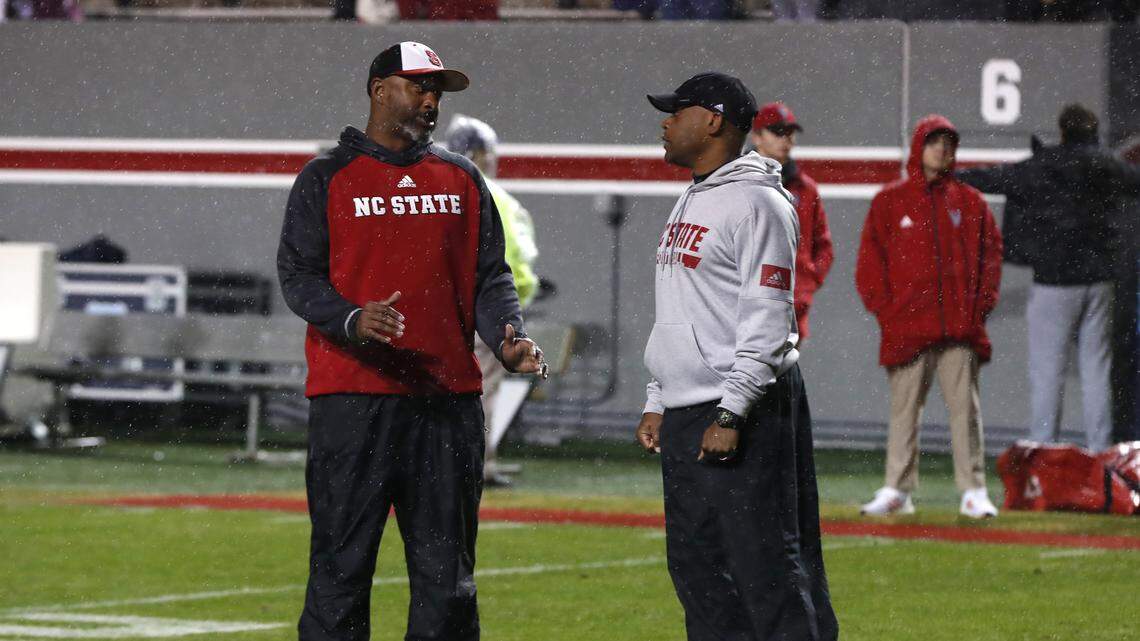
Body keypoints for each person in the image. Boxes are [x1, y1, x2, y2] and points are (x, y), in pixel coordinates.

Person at [277, 41, 546, 641]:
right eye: (419, 86)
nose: (430, 100)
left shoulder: (462, 178)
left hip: (446, 402)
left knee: (447, 580)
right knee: (339, 573)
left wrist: (508, 338)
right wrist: (349, 318)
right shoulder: (325, 177)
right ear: (379, 90)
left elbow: (491, 275)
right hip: (353, 400)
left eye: (437, 91)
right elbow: (298, 275)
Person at [636, 72, 838, 641]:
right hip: (688, 410)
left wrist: (732, 410)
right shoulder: (694, 196)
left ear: (713, 120)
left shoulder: (760, 203)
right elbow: (683, 310)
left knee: (765, 567)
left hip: (741, 409)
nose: (666, 122)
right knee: (697, 571)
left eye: (677, 111)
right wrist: (659, 396)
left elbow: (769, 318)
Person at [958, 104, 1140, 452]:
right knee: (1097, 373)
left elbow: (995, 178)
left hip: (1054, 282)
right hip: (1100, 281)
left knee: (1047, 372)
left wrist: (952, 175)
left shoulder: (1043, 165)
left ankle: (1043, 450)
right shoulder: (1105, 165)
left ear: (1062, 131)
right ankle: (1101, 453)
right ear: (1093, 131)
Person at [855, 115, 1003, 519]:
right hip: (907, 329)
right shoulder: (890, 202)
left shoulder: (970, 203)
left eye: (948, 142)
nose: (942, 149)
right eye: (935, 141)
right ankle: (897, 490)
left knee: (966, 412)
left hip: (958, 329)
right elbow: (870, 265)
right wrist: (890, 314)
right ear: (919, 147)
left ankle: (973, 490)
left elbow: (991, 258)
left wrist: (978, 308)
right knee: (904, 411)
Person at [443, 114, 540, 486]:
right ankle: (474, 466)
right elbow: (513, 265)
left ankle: (442, 464)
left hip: (444, 314)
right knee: (481, 393)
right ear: (482, 153)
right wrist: (514, 307)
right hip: (485, 314)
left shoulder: (437, 191)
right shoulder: (493, 197)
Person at [750, 102, 834, 342]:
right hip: (744, 308)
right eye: (778, 132)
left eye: (789, 133)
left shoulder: (806, 189)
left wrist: (807, 282)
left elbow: (824, 246)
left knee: (784, 378)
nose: (786, 139)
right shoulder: (737, 183)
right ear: (756, 137)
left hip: (791, 309)